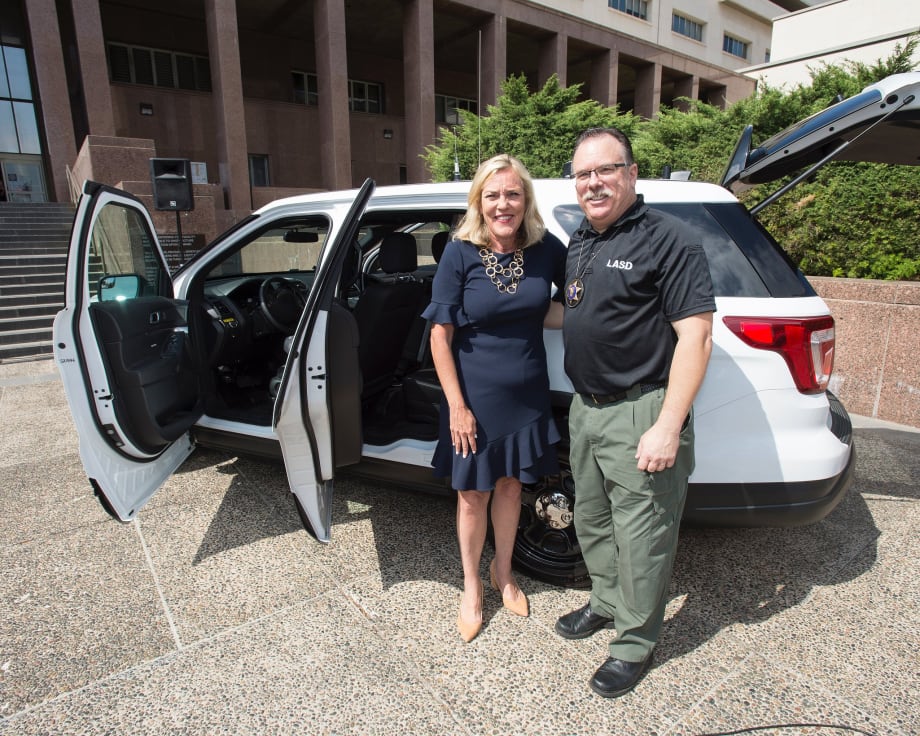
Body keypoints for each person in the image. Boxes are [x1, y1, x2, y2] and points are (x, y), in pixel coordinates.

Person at [552, 127, 715, 696]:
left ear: (631, 172)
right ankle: (604, 601)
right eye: (583, 174)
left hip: (641, 409)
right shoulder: (581, 239)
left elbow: (696, 339)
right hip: (586, 408)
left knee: (642, 534)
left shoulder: (670, 239)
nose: (593, 183)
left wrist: (668, 425)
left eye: (605, 170)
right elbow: (574, 311)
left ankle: (634, 643)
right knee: (592, 520)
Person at [422, 154, 567, 643]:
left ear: (525, 199)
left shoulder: (546, 249)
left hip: (527, 393)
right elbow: (439, 335)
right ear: (478, 202)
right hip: (473, 398)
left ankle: (503, 573)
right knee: (472, 494)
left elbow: (577, 298)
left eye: (512, 193)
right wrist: (458, 407)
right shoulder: (460, 252)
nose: (503, 203)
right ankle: (470, 586)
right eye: (492, 194)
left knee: (510, 488)